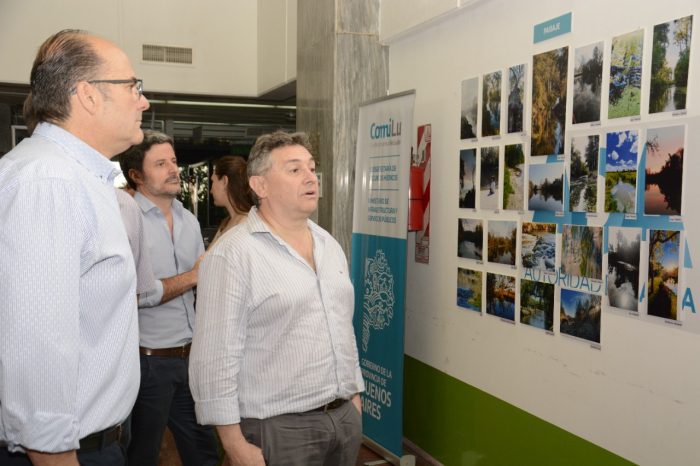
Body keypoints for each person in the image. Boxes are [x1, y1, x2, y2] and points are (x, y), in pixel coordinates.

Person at [0, 29, 149, 465]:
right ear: (87, 95)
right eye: (133, 86)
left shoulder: (76, 178)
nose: (142, 100)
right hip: (64, 454)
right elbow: (36, 344)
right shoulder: (49, 182)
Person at [190, 131, 365, 466]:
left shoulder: (329, 244)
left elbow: (342, 326)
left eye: (312, 168)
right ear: (260, 186)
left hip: (342, 420)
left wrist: (353, 398)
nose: (311, 177)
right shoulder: (232, 254)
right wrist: (234, 444)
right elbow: (213, 359)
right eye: (295, 169)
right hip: (278, 430)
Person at [117, 130, 219, 466]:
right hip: (146, 362)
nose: (173, 168)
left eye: (173, 161)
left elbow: (201, 289)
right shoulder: (124, 218)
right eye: (160, 164)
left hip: (189, 358)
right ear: (136, 175)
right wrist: (192, 277)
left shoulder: (189, 219)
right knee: (142, 455)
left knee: (204, 452)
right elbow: (133, 293)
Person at [207, 155, 254, 249]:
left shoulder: (247, 225)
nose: (211, 190)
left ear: (224, 181)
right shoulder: (227, 222)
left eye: (213, 181)